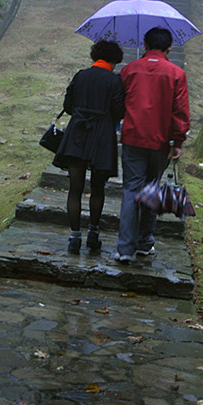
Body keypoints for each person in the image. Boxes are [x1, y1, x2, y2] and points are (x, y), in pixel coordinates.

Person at [115, 26, 190, 262]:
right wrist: (177, 141)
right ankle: (145, 242)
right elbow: (180, 112)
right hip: (160, 143)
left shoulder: (129, 70)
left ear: (145, 45)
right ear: (169, 48)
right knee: (151, 190)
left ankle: (125, 249)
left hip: (133, 138)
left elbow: (119, 103)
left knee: (130, 191)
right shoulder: (176, 74)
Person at [53, 40, 125, 254]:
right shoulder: (114, 80)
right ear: (114, 60)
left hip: (77, 134)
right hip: (101, 137)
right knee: (97, 189)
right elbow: (119, 112)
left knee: (75, 188)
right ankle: (93, 234)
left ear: (96, 56)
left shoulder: (80, 75)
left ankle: (74, 237)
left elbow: (67, 106)